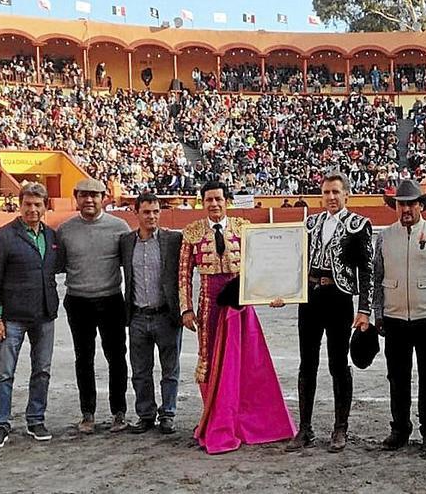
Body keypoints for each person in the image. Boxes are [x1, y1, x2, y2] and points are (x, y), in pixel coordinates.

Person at [179, 181, 295, 454]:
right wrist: (186, 309)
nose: (214, 204)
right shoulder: (192, 233)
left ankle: (238, 419)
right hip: (208, 307)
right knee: (207, 362)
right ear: (203, 202)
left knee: (243, 362)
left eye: (218, 199)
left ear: (226, 200)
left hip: (240, 308)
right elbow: (183, 275)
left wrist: (274, 295)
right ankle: (212, 421)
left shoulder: (243, 229)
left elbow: (263, 266)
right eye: (209, 200)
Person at [286, 172, 373, 453]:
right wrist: (281, 292)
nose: (331, 197)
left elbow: (367, 270)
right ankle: (305, 428)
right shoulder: (310, 223)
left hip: (339, 298)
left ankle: (340, 428)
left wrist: (364, 309)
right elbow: (295, 262)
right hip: (309, 298)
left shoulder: (358, 225)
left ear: (346, 194)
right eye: (326, 192)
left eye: (336, 192)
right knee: (307, 363)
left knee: (338, 364)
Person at [372, 179, 426, 459]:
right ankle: (400, 428)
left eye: (411, 203)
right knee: (397, 377)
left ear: (421, 205)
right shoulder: (384, 237)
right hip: (395, 316)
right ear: (395, 206)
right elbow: (377, 278)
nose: (406, 208)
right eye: (401, 203)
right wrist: (378, 313)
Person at [0, 183, 59, 449]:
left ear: (45, 206)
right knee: (5, 372)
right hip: (12, 317)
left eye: (38, 205)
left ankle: (36, 419)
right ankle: (0, 424)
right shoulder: (2, 236)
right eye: (28, 204)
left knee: (42, 371)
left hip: (44, 315)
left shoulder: (51, 236)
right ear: (20, 205)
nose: (33, 209)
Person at [57, 178, 132, 434]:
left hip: (111, 299)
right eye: (84, 195)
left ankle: (118, 412)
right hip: (78, 302)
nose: (89, 200)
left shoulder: (119, 227)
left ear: (104, 198)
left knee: (116, 357)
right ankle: (87, 413)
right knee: (84, 358)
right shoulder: (65, 230)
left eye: (95, 195)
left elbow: (131, 266)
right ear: (76, 198)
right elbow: (57, 265)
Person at [119, 193, 184, 434]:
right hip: (137, 315)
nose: (152, 216)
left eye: (156, 211)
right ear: (136, 213)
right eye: (147, 212)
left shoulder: (173, 239)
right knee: (140, 371)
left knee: (170, 369)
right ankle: (145, 415)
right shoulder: (126, 242)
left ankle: (168, 414)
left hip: (166, 315)